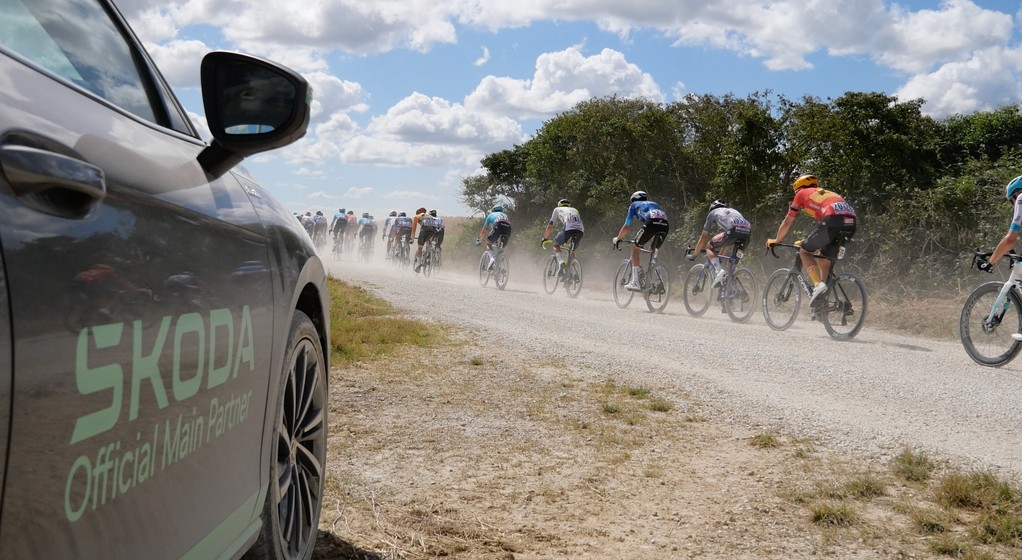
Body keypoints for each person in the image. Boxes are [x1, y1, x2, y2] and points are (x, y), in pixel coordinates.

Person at [766, 174, 857, 305]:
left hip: (832, 220)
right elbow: (823, 233)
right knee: (824, 258)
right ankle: (822, 296)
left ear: (798, 188)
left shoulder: (802, 193)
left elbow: (787, 221)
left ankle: (817, 285)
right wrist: (807, 240)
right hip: (851, 223)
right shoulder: (826, 194)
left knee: (805, 252)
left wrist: (777, 239)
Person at [982, 175, 1022, 340]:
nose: (1013, 205)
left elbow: (1010, 239)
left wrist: (990, 261)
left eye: (1011, 201)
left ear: (1015, 194)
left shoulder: (1021, 198)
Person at [687, 200, 752, 288]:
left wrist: (695, 254)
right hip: (747, 234)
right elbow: (727, 243)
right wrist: (718, 258)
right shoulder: (733, 211)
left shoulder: (713, 213)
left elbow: (704, 237)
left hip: (732, 231)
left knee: (709, 247)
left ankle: (718, 271)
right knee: (730, 266)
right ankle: (733, 291)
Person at [612, 191, 669, 291]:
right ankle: (655, 275)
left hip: (651, 223)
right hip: (665, 225)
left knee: (635, 248)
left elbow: (627, 226)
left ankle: (635, 283)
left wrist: (618, 238)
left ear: (634, 199)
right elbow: (659, 220)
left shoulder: (634, 205)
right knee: (652, 249)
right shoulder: (655, 204)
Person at [542, 198, 584, 272]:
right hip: (580, 230)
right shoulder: (575, 210)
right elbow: (576, 223)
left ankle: (560, 262)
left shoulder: (557, 209)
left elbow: (550, 226)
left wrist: (545, 238)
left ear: (559, 205)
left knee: (555, 244)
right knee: (572, 251)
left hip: (568, 227)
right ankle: (571, 274)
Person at [477, 204, 512, 270]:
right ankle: (500, 265)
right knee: (501, 248)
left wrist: (479, 240)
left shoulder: (491, 215)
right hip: (508, 228)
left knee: (488, 242)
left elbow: (484, 230)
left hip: (498, 226)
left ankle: (492, 259)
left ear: (493, 210)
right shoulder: (505, 215)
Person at [411, 207, 440, 273]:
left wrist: (412, 239)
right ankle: (429, 255)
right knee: (428, 242)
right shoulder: (430, 216)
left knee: (420, 247)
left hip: (424, 230)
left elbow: (414, 229)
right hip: (433, 230)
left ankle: (418, 265)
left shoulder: (416, 217)